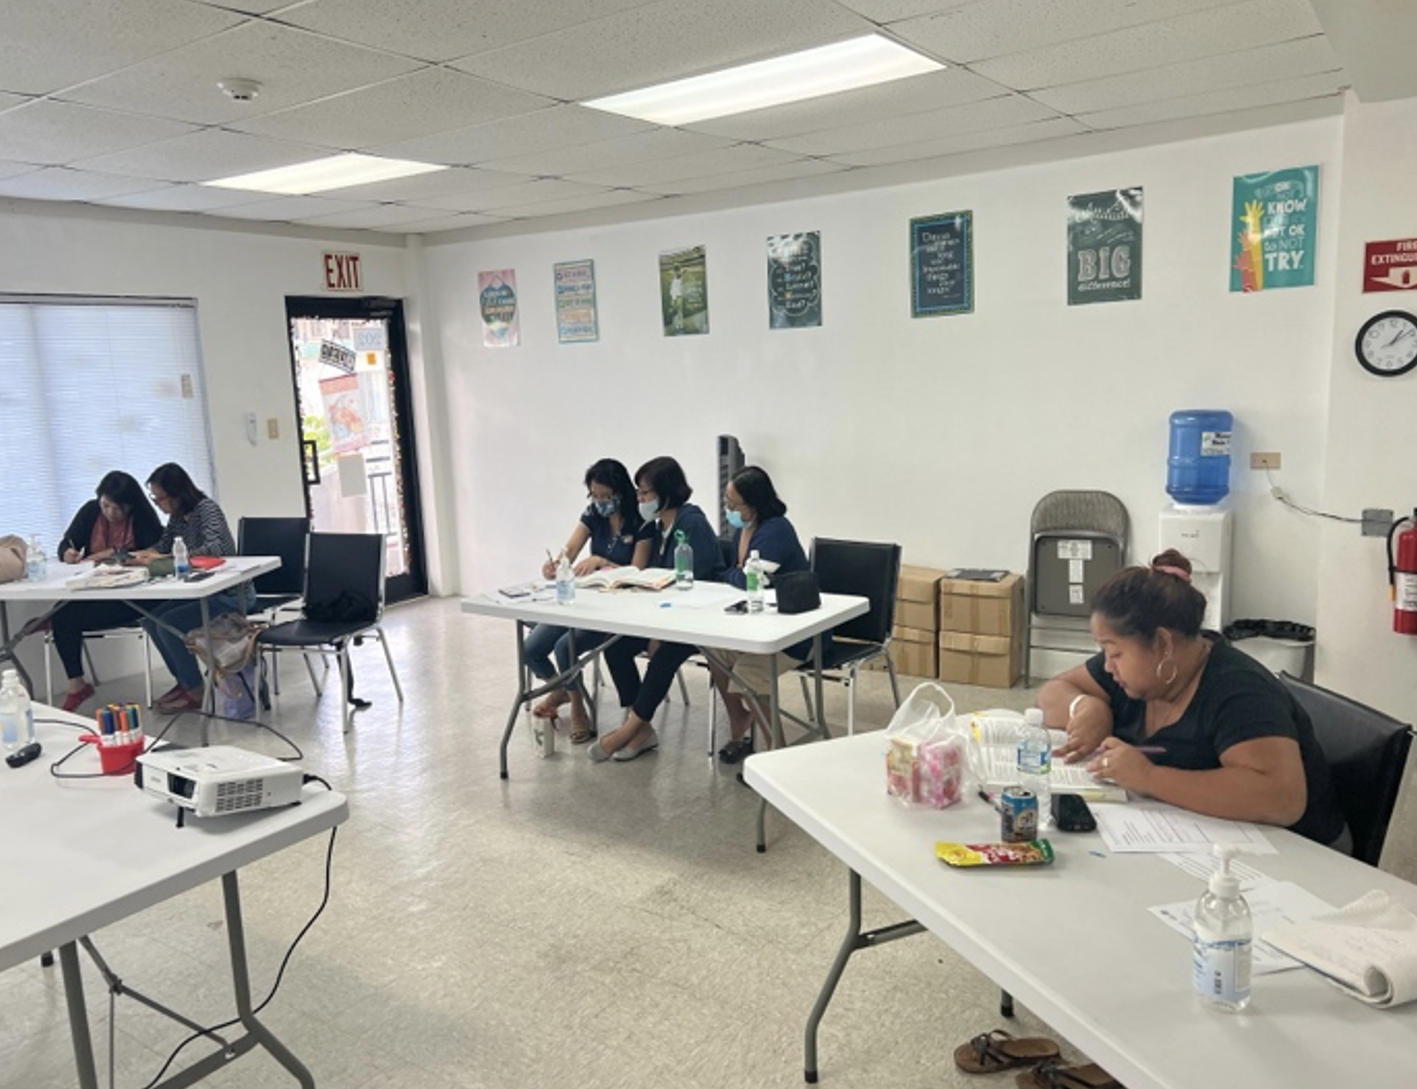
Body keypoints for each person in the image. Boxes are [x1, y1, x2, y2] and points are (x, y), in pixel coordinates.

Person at [1039, 549, 1347, 847]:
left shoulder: (1241, 691)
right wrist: (1085, 706)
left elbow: (1282, 799)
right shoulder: (1133, 672)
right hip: (1193, 835)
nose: (1107, 665)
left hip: (1300, 857)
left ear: (1162, 643)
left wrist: (1149, 777)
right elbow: (1053, 692)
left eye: (1115, 652)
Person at [591, 456, 725, 763]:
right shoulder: (657, 527)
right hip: (667, 617)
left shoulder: (691, 522)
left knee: (663, 655)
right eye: (638, 493)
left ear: (667, 491)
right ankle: (643, 730)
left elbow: (699, 582)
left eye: (645, 493)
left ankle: (630, 728)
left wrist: (660, 629)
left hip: (700, 620)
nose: (640, 499)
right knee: (615, 647)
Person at [526, 458, 648, 743]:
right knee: (531, 649)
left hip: (621, 606)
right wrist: (556, 564)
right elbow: (570, 548)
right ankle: (563, 690)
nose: (601, 502)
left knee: (562, 646)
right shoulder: (593, 514)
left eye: (607, 496)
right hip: (586, 599)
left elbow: (640, 571)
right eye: (595, 495)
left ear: (622, 493)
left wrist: (601, 561)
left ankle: (578, 707)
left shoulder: (640, 520)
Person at [130, 463, 250, 714]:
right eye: (155, 499)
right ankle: (184, 683)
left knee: (168, 624)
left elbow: (216, 548)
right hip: (203, 590)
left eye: (161, 498)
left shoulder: (206, 509)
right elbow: (164, 545)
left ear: (177, 493)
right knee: (152, 620)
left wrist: (164, 560)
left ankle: (195, 690)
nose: (158, 504)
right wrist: (141, 555)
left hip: (229, 593)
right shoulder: (177, 517)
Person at [711, 466, 810, 765]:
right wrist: (734, 575)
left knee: (748, 673)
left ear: (754, 503)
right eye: (727, 502)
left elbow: (749, 580)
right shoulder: (745, 527)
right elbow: (737, 575)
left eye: (734, 504)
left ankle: (777, 754)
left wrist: (733, 575)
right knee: (715, 651)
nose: (729, 509)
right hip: (758, 624)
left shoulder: (776, 529)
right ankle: (739, 724)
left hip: (795, 633)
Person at [49, 471, 164, 711]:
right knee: (62, 612)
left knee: (63, 617)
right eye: (106, 505)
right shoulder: (91, 511)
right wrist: (67, 554)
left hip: (134, 596)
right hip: (96, 590)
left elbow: (155, 554)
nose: (110, 512)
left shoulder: (143, 518)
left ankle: (49, 622)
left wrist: (112, 554)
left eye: (117, 508)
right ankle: (77, 683)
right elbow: (67, 543)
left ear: (130, 506)